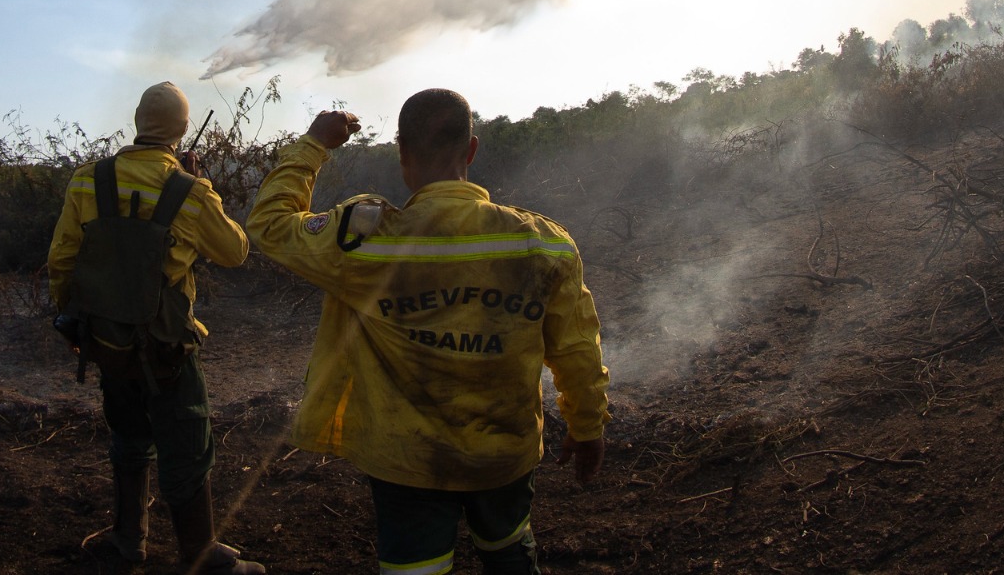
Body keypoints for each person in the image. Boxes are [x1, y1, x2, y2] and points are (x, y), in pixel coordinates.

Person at [246, 89, 609, 575]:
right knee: (509, 551)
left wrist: (314, 144)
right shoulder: (544, 243)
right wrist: (587, 426)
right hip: (505, 453)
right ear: (472, 150)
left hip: (406, 461)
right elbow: (577, 350)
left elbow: (268, 225)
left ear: (401, 153)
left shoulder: (363, 239)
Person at [49, 81, 264, 574]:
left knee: (128, 436)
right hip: (167, 348)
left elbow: (62, 258)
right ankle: (202, 556)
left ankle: (128, 541)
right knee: (188, 444)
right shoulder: (189, 192)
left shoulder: (88, 180)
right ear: (183, 130)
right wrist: (201, 186)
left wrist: (74, 325)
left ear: (137, 121)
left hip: (107, 342)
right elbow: (235, 252)